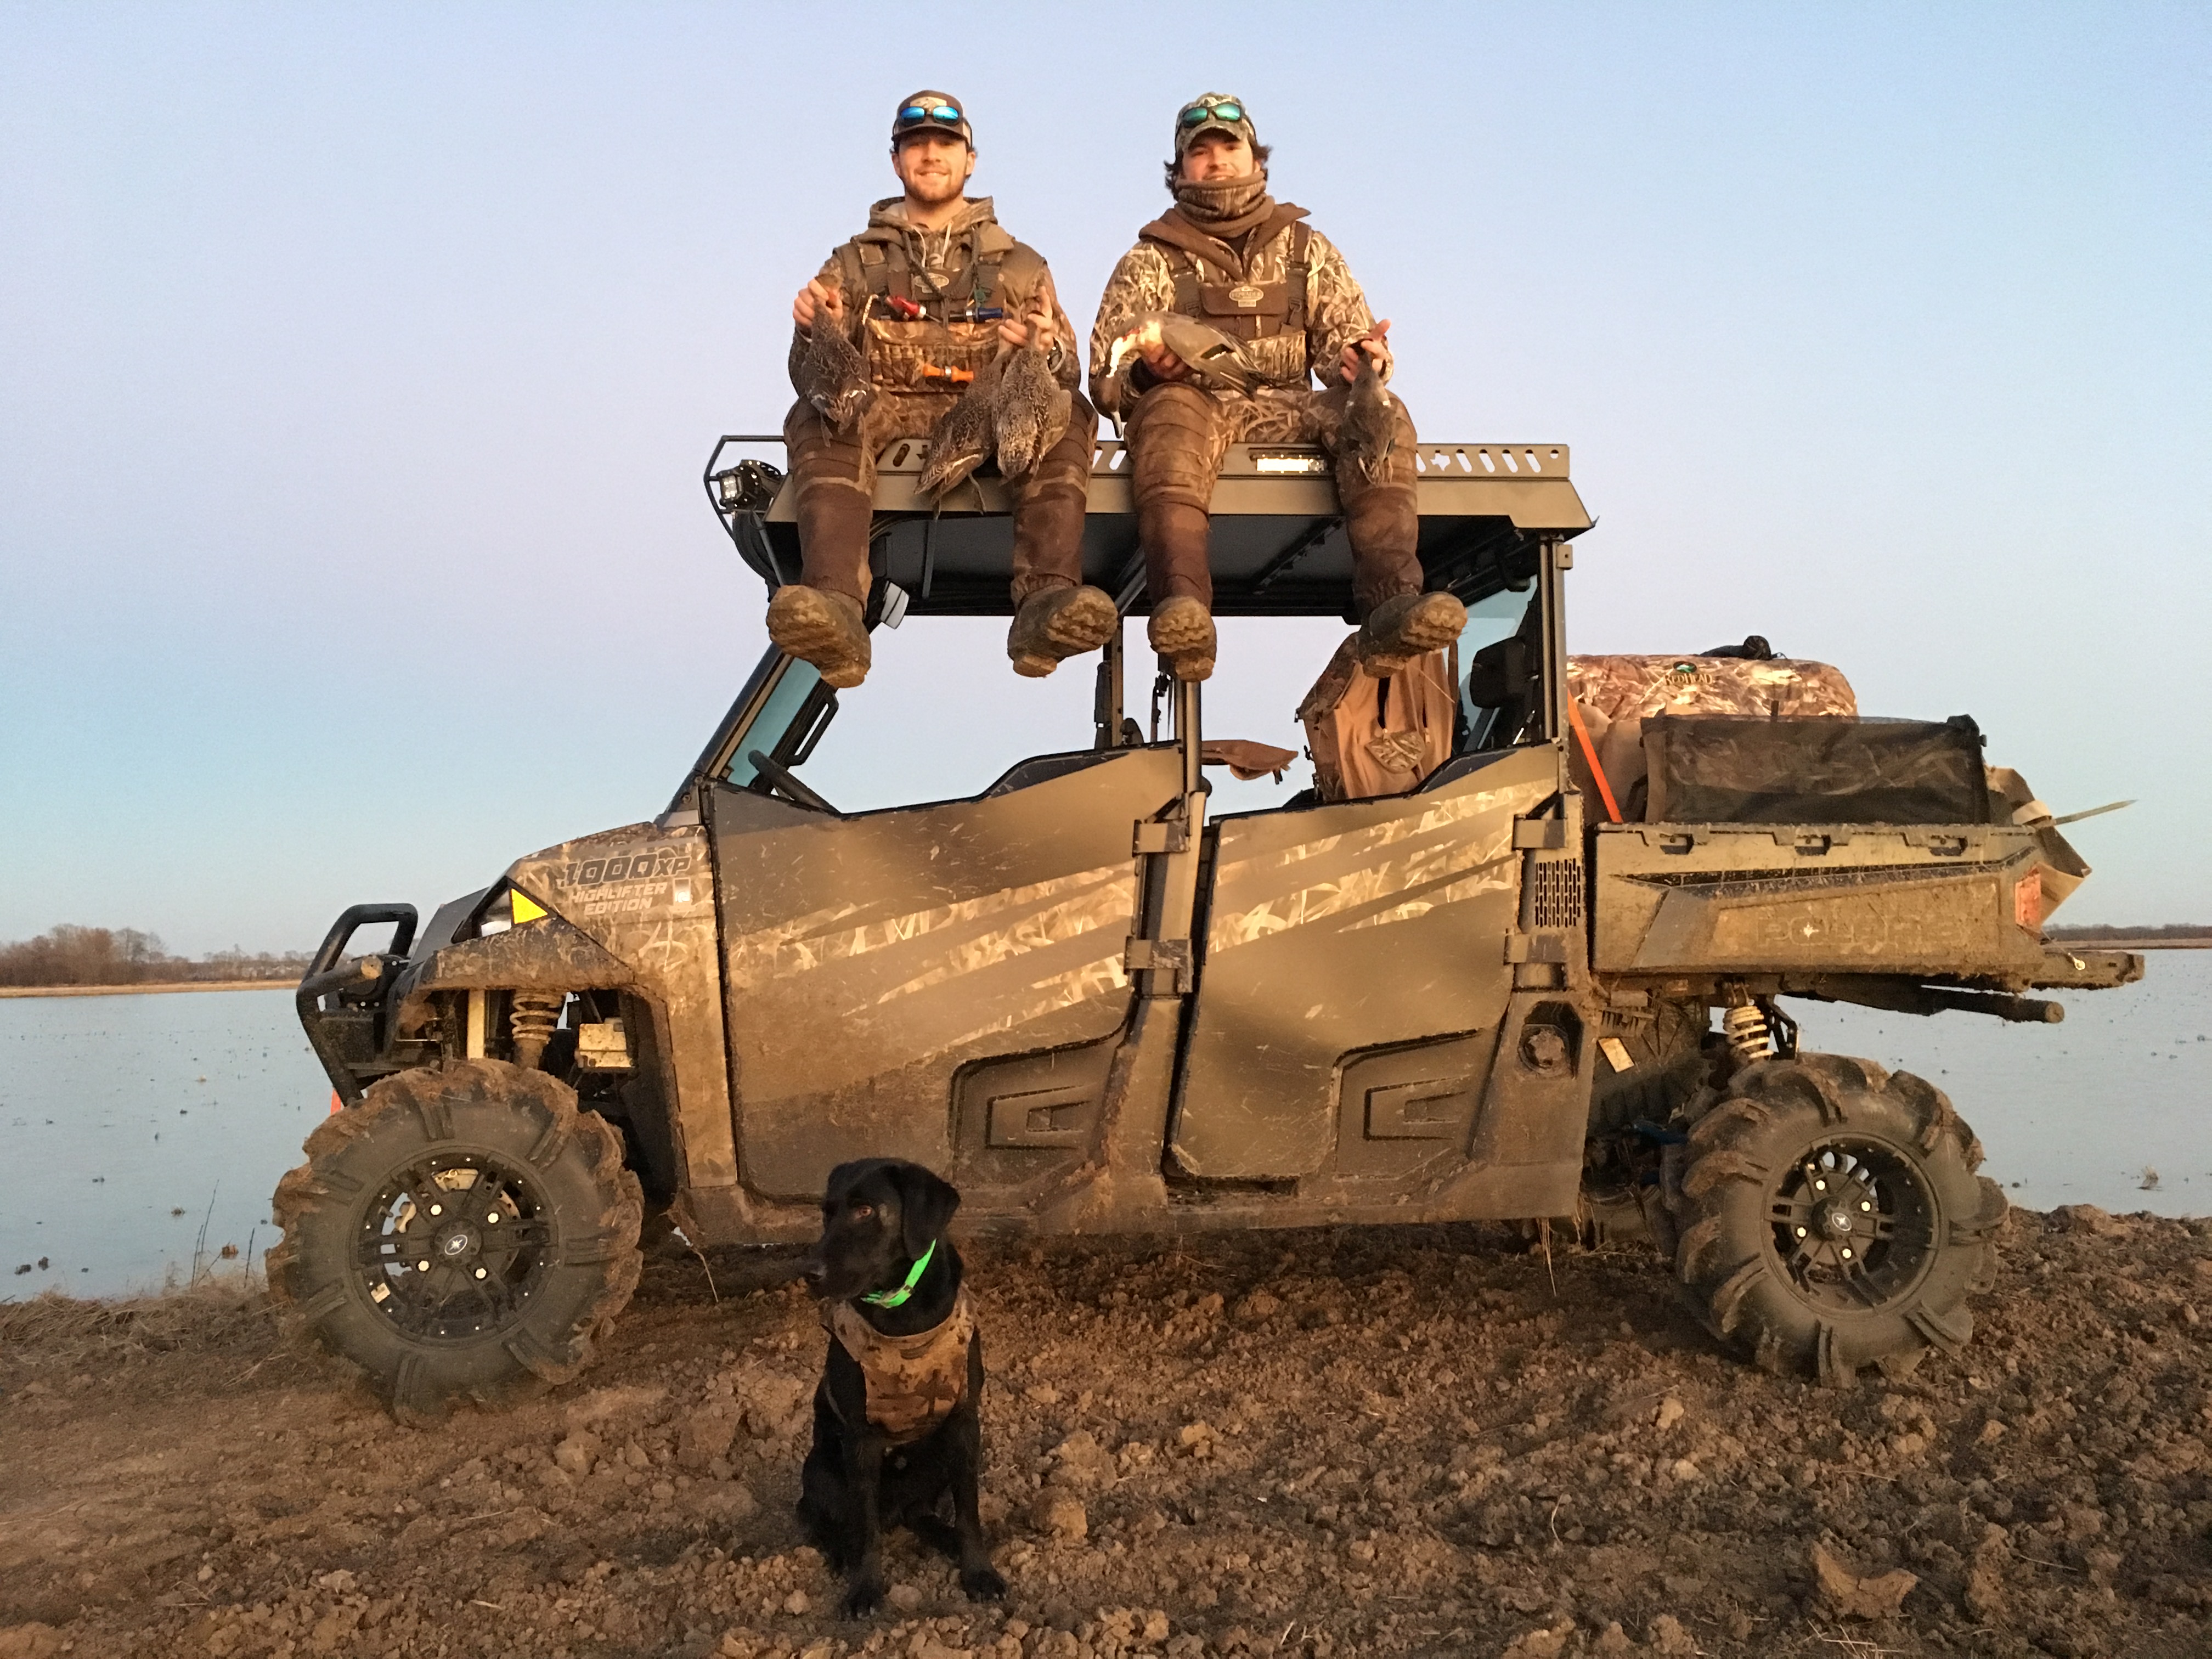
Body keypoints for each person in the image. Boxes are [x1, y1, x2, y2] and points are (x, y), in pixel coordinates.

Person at [1088, 94, 1465, 682]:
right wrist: (1146, 373)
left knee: (1381, 413)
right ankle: (1183, 609)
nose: (1216, 163)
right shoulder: (1149, 259)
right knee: (1168, 412)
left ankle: (1392, 604)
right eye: (1200, 153)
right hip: (1199, 412)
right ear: (1180, 171)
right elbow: (1104, 379)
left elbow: (1345, 342)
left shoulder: (1306, 248)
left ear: (1257, 161)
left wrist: (1361, 359)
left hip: (1291, 408)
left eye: (1229, 148)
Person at [776, 93, 1116, 688]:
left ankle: (1045, 604)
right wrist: (812, 328)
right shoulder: (853, 264)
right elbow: (813, 373)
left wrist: (1044, 347)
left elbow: (1067, 373)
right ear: (896, 161)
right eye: (916, 145)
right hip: (883, 406)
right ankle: (835, 609)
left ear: (970, 160)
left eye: (945, 144)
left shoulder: (1019, 265)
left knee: (1069, 415)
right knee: (817, 416)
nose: (931, 155)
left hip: (988, 410)